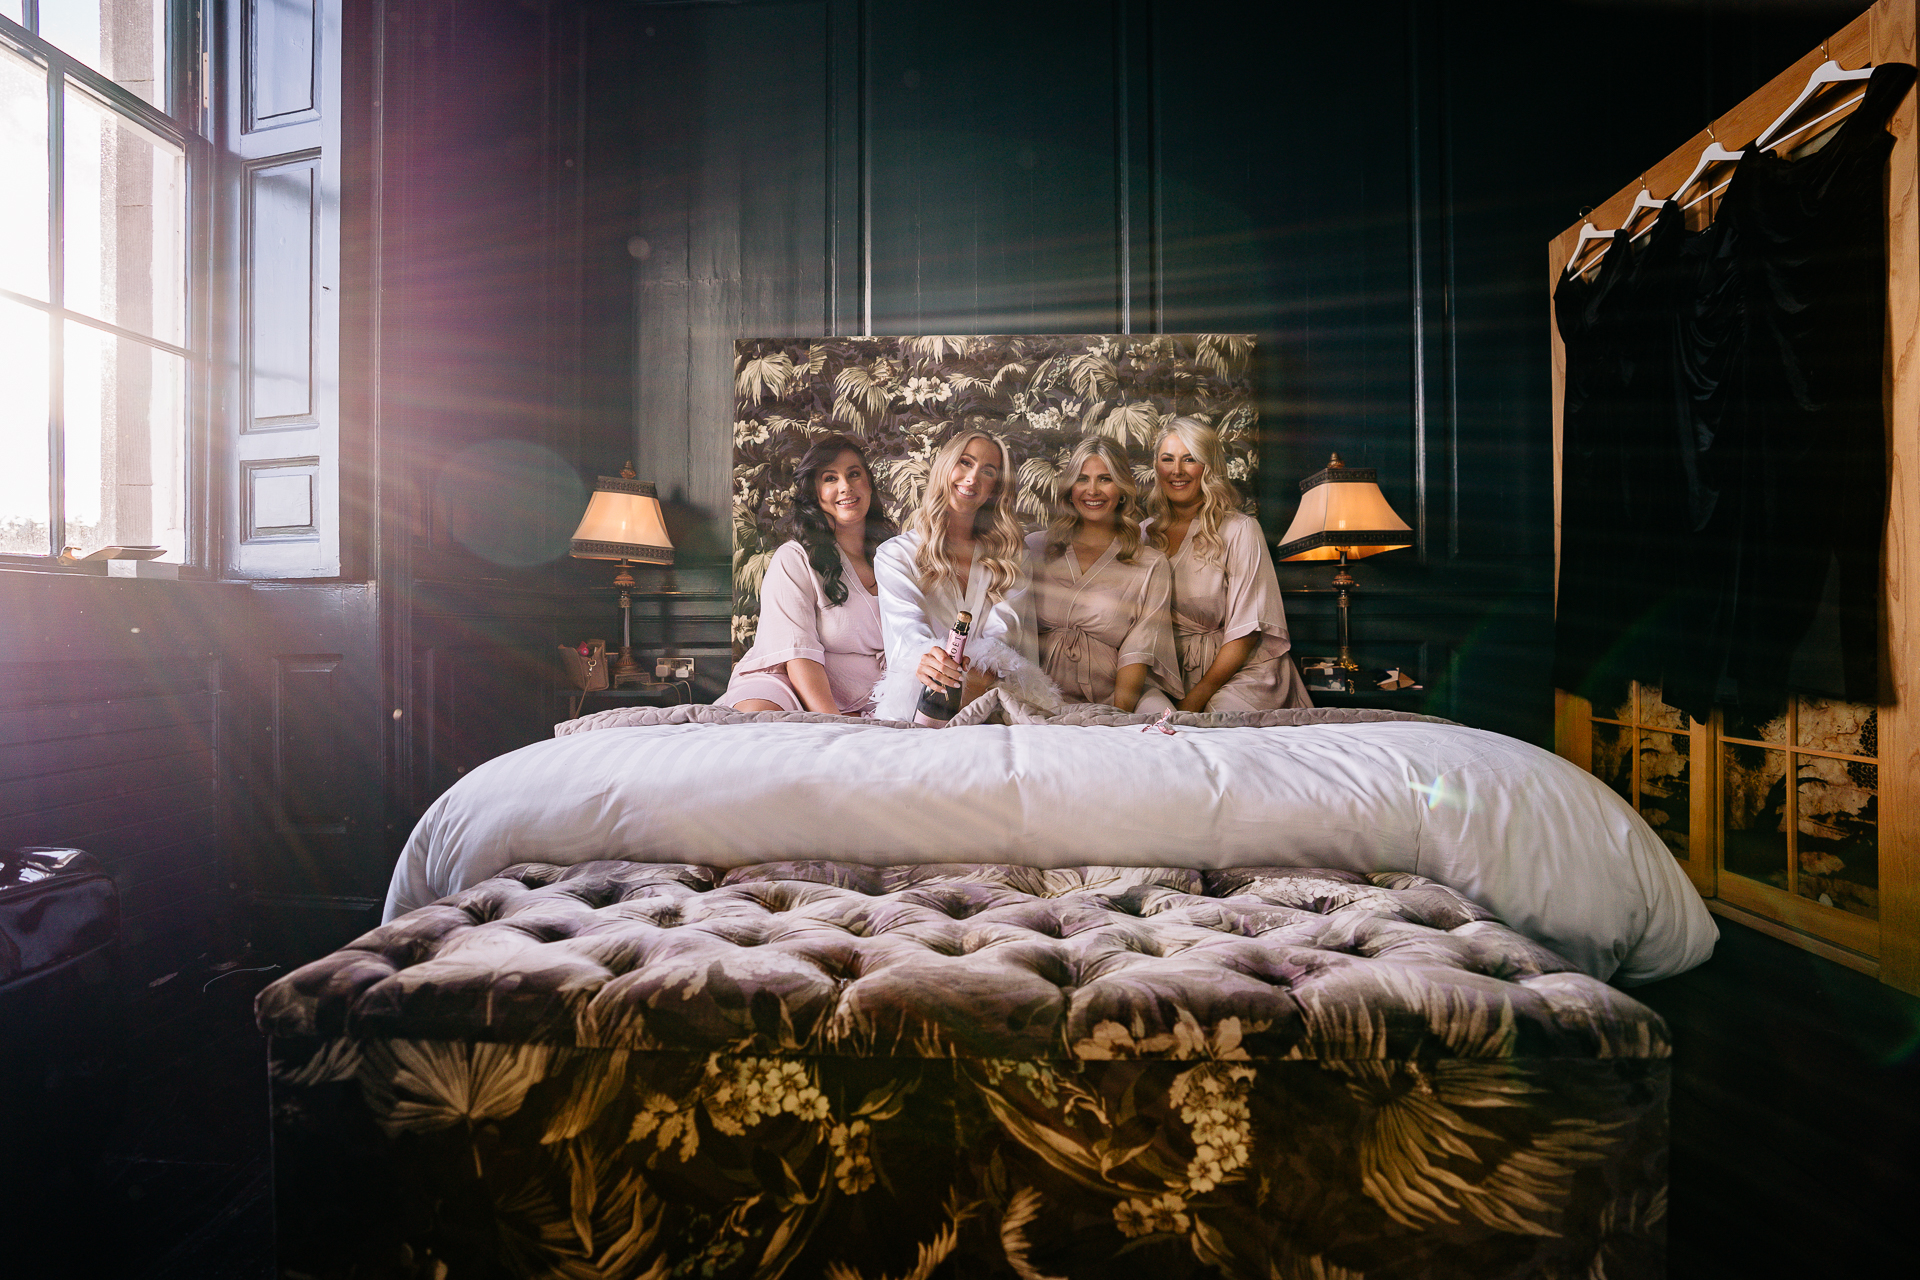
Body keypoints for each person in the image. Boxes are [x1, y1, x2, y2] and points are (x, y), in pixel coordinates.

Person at [872, 427, 1054, 722]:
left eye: (988, 471)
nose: (972, 478)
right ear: (946, 467)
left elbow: (1004, 636)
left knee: (987, 669)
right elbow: (908, 632)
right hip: (920, 695)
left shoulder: (1012, 557)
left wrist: (971, 676)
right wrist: (935, 662)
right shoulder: (895, 555)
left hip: (994, 691)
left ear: (996, 487)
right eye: (966, 462)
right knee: (934, 677)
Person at [717, 434, 895, 715]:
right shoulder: (795, 559)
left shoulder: (895, 558)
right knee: (762, 721)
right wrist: (834, 725)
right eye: (830, 478)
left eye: (854, 474)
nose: (846, 487)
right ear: (815, 493)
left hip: (872, 697)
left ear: (869, 485)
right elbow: (798, 656)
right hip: (788, 683)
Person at [1145, 417, 1311, 712]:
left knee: (1218, 719)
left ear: (1208, 467)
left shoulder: (1240, 530)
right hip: (1167, 671)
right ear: (1157, 467)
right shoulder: (1143, 534)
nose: (1177, 471)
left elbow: (1247, 632)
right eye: (1167, 459)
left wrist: (1195, 701)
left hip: (1241, 672)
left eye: (1190, 459)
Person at [1026, 437, 1181, 713]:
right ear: (1070, 489)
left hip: (1111, 696)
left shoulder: (1149, 564)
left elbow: (1137, 652)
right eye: (1082, 479)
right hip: (1038, 692)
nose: (1092, 491)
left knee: (1167, 730)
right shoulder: (1035, 549)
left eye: (1105, 479)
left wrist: (1116, 718)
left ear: (1122, 490)